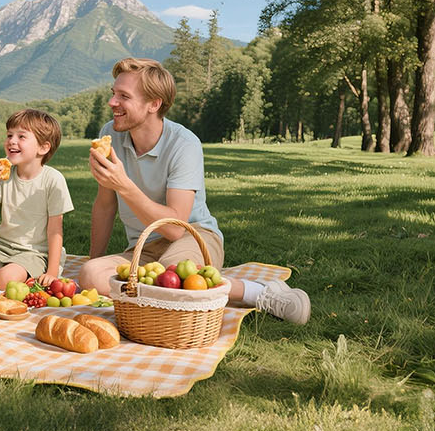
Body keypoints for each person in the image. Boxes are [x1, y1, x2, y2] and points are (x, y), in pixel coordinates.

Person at [75, 57, 310, 323]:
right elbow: (105, 205)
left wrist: (125, 186)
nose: (112, 103)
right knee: (91, 274)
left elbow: (175, 227)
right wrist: (92, 268)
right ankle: (176, 289)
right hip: (144, 247)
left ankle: (258, 292)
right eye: (113, 93)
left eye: (123, 96)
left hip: (194, 235)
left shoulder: (184, 144)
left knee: (173, 279)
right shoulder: (111, 134)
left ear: (154, 104)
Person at [0, 109, 74, 289]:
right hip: (1, 246)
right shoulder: (4, 175)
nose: (12, 141)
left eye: (21, 136)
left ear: (43, 147)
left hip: (34, 253)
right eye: (9, 135)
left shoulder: (53, 180)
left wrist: (52, 271)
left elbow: (55, 230)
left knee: (5, 278)